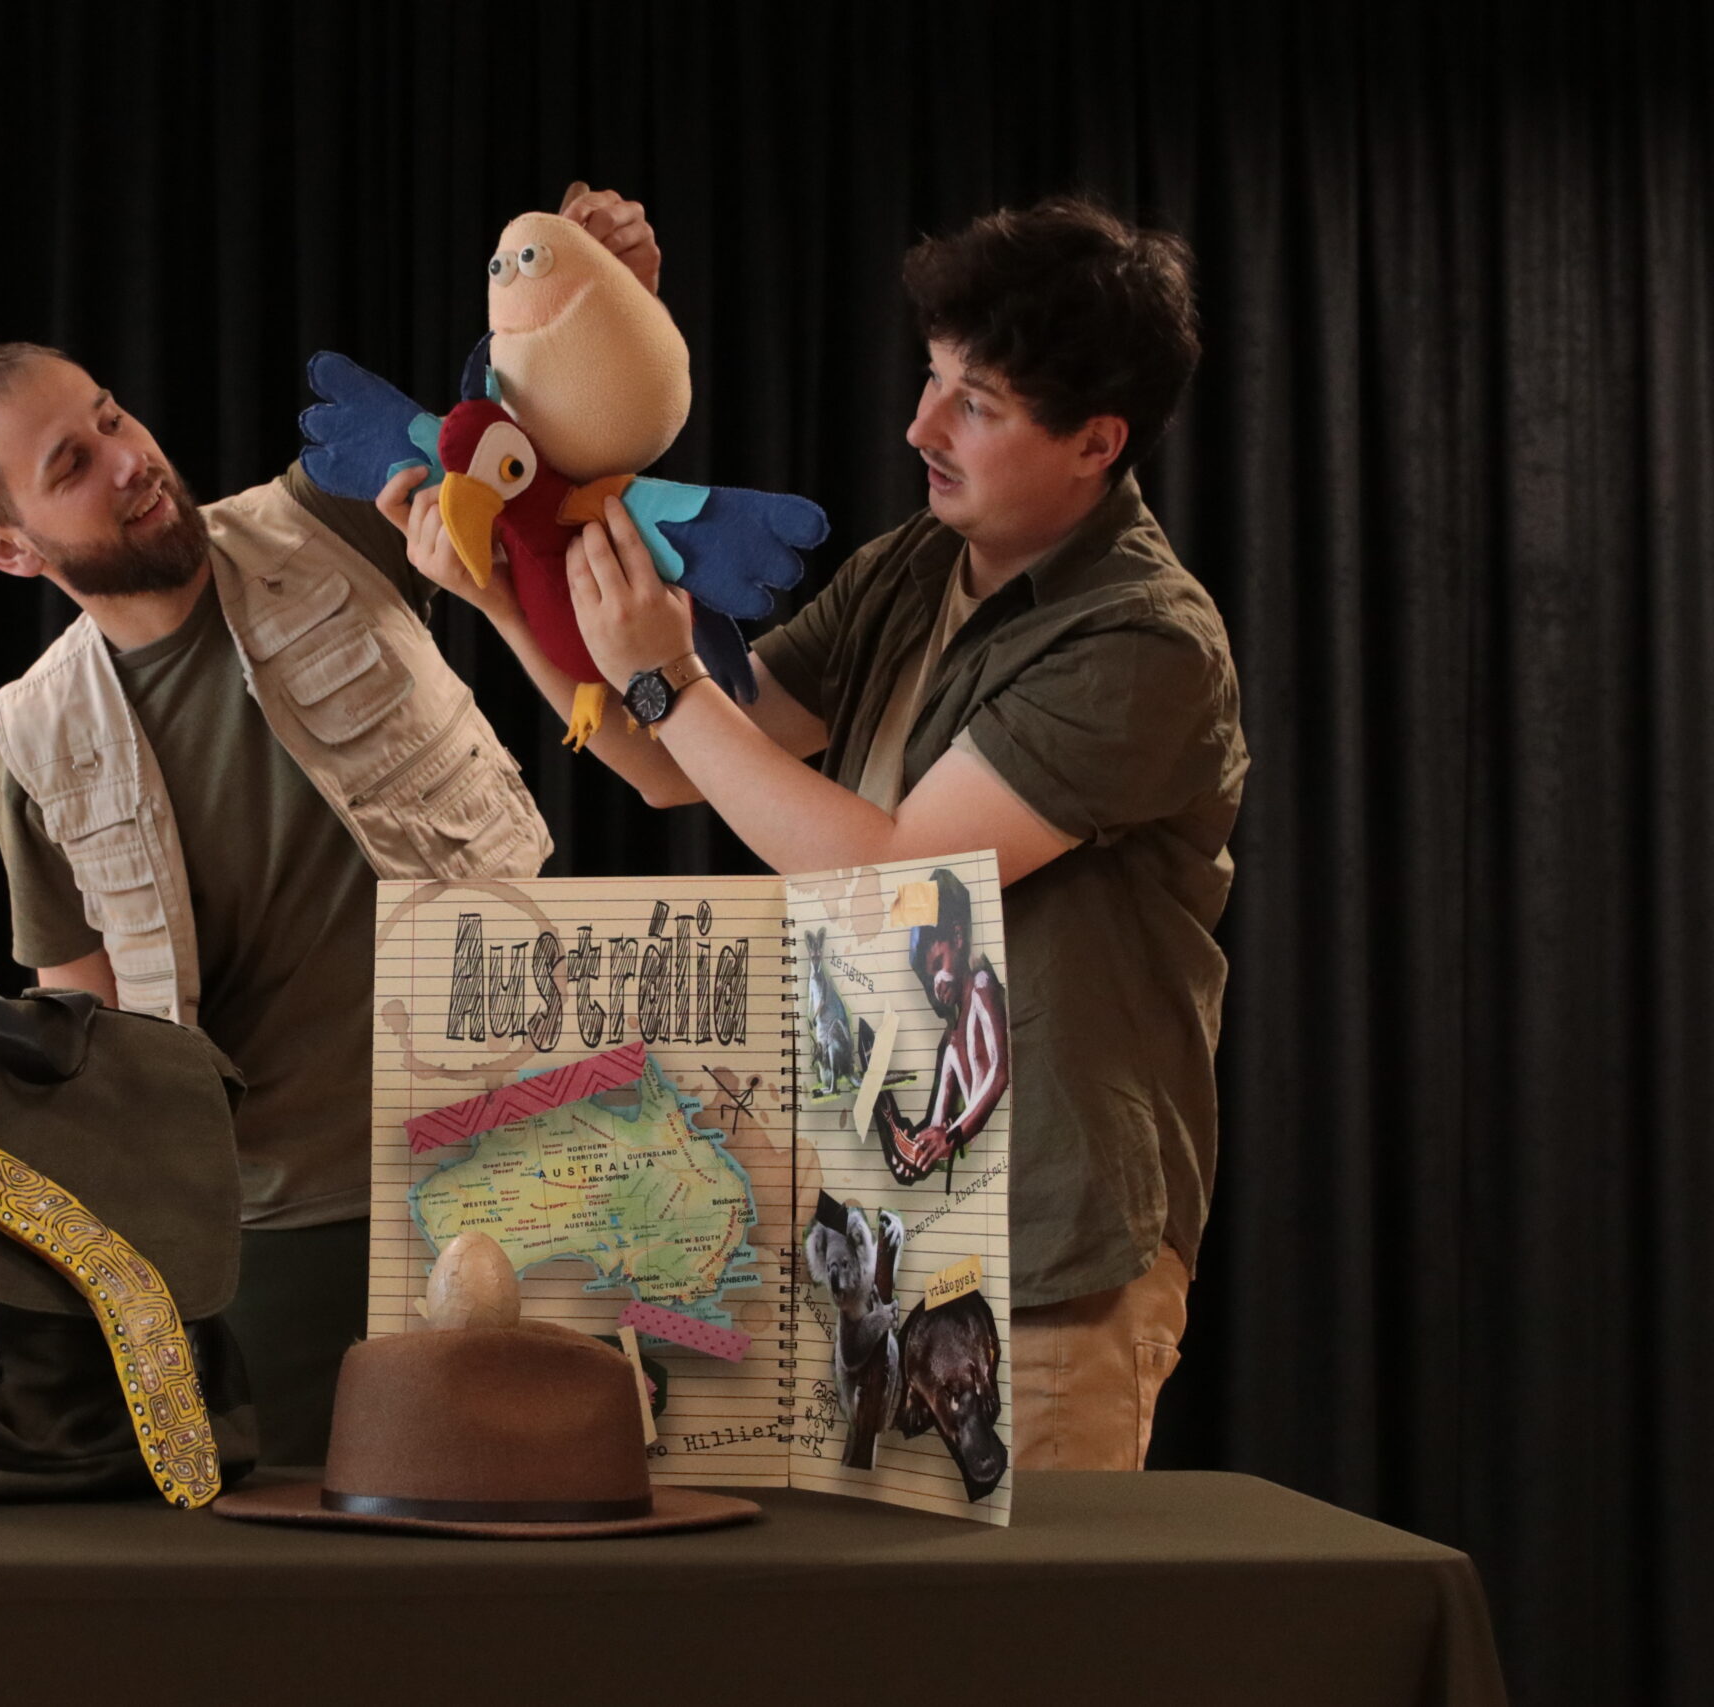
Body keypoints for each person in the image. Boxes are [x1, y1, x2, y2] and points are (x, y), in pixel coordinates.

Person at [387, 195, 1247, 1470]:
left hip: (1040, 1252)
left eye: (977, 406)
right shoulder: (914, 567)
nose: (920, 428)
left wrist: (665, 678)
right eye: (931, 379)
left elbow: (896, 873)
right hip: (881, 1231)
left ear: (1096, 442)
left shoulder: (1142, 641)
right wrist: (507, 598)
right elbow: (672, 765)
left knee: (1030, 1601)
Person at [0, 187, 659, 1464]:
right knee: (308, 1570)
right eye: (69, 467)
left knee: (567, 1536)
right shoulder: (25, 745)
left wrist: (603, 297)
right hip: (274, 1243)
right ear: (7, 547)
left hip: (531, 1157)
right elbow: (83, 1046)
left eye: (110, 418)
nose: (126, 460)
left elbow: (525, 442)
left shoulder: (323, 515)